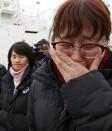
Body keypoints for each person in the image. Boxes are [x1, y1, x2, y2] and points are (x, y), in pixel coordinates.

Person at [28, 0, 112, 131]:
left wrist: (90, 96)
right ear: (53, 42)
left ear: (105, 45)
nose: (76, 58)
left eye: (89, 45)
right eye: (66, 44)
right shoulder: (40, 81)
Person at [0, 41, 36, 131]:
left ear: (28, 58)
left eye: (21, 57)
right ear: (9, 58)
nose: (17, 60)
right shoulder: (5, 80)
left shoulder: (35, 80)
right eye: (14, 56)